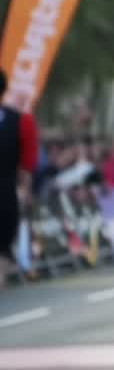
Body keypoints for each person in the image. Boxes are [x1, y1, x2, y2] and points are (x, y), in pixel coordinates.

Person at [0, 70, 39, 287]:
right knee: (2, 253)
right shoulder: (22, 122)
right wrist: (25, 192)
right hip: (5, 195)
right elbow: (26, 166)